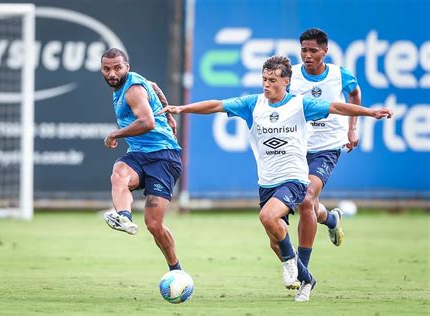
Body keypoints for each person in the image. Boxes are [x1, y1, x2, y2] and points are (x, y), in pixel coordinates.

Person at [158, 55, 392, 301]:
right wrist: (182, 109)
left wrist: (369, 113)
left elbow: (337, 107)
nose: (266, 84)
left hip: (294, 179)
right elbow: (216, 105)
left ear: (286, 82)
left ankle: (292, 262)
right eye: (264, 79)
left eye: (272, 80)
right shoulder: (253, 104)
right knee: (275, 242)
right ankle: (307, 280)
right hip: (267, 182)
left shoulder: (301, 105)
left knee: (268, 216)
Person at [100, 47, 183, 272]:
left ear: (127, 67)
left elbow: (147, 122)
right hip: (139, 154)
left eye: (117, 68)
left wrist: (115, 134)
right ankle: (124, 217)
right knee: (119, 173)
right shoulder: (133, 83)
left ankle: (176, 270)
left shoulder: (133, 90)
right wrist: (168, 114)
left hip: (164, 157)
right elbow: (154, 86)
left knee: (154, 225)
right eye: (106, 69)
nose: (112, 74)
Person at [290, 28, 361, 274]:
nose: (307, 55)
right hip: (297, 146)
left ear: (325, 51)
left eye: (313, 50)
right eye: (303, 50)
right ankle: (331, 219)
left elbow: (355, 94)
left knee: (307, 198)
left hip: (327, 146)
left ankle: (302, 269)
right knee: (309, 204)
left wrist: (352, 128)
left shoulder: (339, 75)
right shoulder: (291, 76)